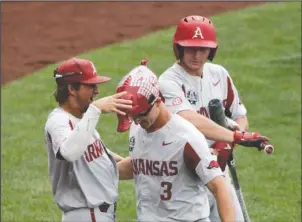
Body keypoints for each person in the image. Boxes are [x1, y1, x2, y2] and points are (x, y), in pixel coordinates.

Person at [157, 15, 260, 221]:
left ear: (211, 51)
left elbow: (240, 117)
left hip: (218, 172)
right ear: (179, 48)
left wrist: (228, 145)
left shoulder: (219, 74)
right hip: (186, 179)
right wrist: (232, 138)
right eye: (190, 48)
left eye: (202, 49)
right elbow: (188, 118)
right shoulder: (168, 81)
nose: (196, 55)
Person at [116, 65, 235, 222]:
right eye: (134, 117)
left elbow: (219, 187)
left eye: (141, 115)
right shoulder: (137, 127)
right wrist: (97, 168)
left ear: (158, 101)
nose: (138, 121)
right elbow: (141, 165)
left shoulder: (186, 138)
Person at [44, 58, 132, 222]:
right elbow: (69, 153)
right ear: (71, 88)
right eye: (91, 86)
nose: (97, 91)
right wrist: (96, 109)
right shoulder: (59, 121)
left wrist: (150, 163)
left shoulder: (83, 123)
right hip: (86, 214)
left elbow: (108, 165)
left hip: (96, 215)